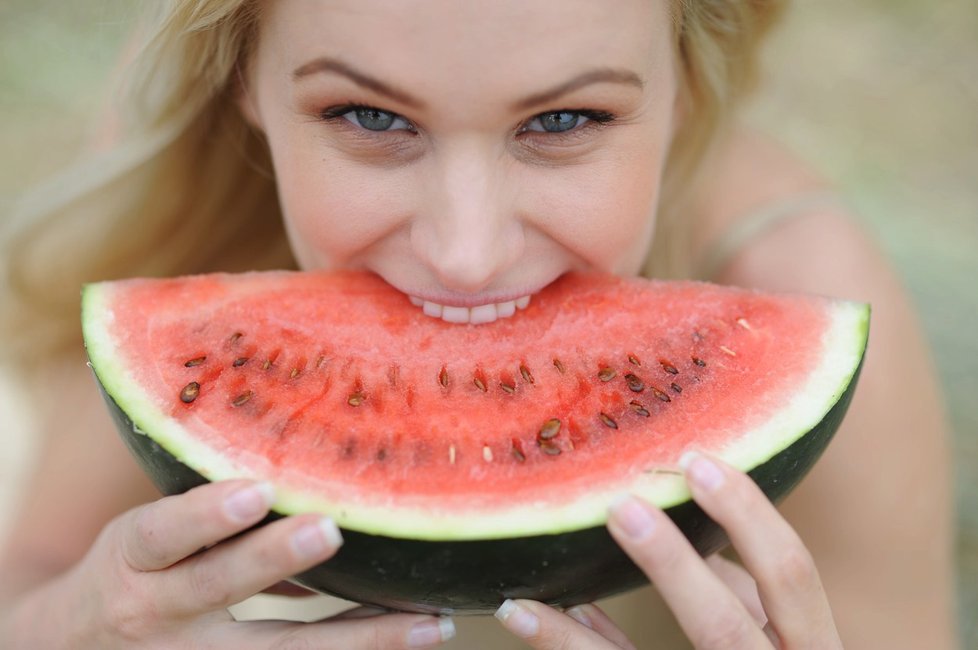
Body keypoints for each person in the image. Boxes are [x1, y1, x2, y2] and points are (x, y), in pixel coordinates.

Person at [0, 0, 958, 647]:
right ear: (245, 82)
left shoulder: (800, 280)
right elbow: (35, 569)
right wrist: (69, 623)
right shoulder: (202, 213)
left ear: (687, 84)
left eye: (564, 121)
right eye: (369, 117)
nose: (465, 254)